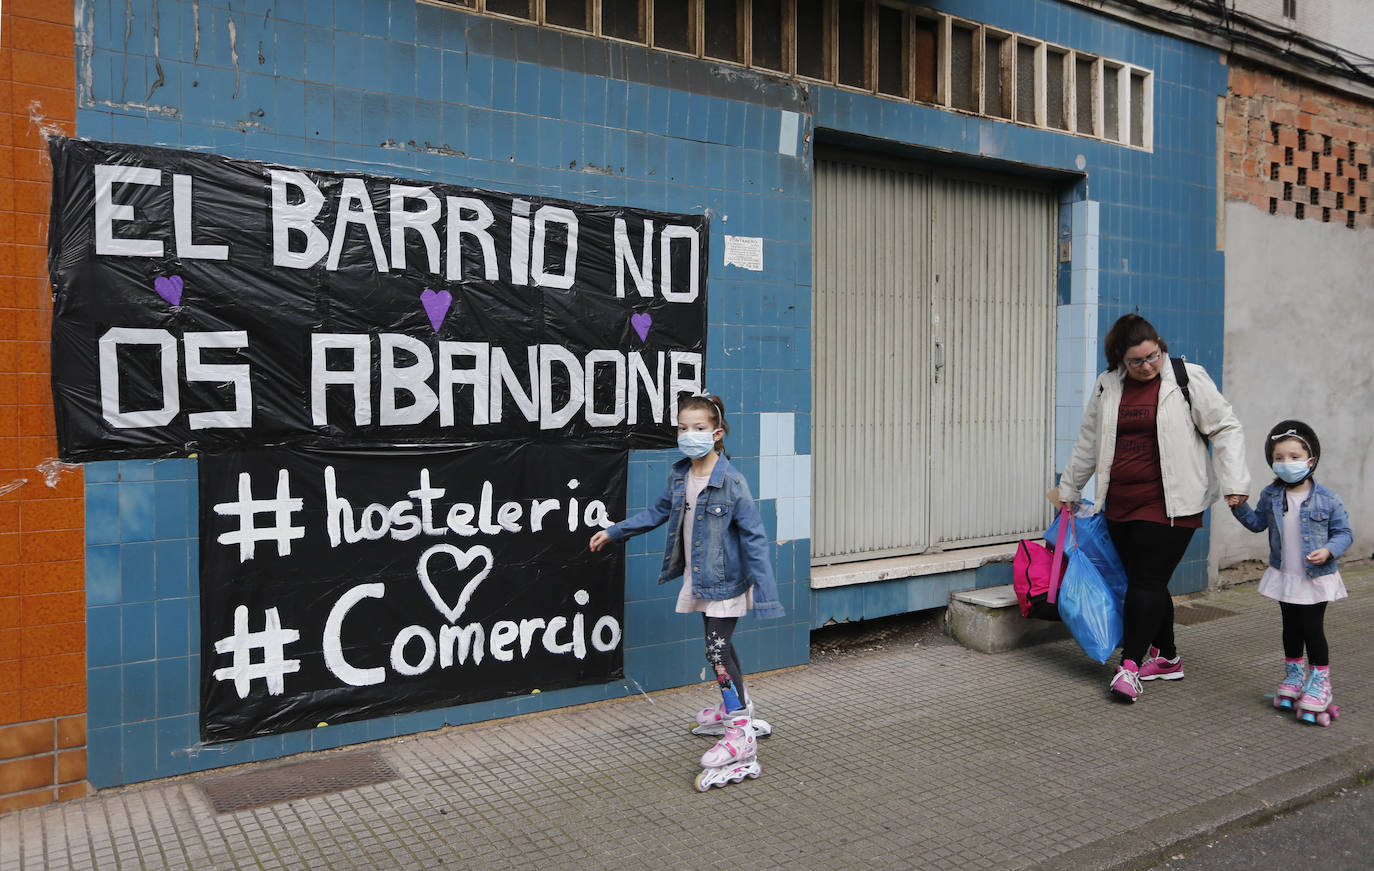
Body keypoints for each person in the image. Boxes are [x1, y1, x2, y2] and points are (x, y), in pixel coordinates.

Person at [1048, 313, 1249, 703]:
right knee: (1148, 583)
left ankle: (1130, 667)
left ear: (1161, 346)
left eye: (1153, 356)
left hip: (1173, 503)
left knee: (1145, 582)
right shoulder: (1108, 386)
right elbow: (1088, 441)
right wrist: (1069, 489)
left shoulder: (1185, 377)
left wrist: (1235, 482)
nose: (1147, 366)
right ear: (1119, 359)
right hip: (1120, 503)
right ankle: (1168, 657)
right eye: (1136, 361)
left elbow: (1225, 426)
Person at [589, 394, 784, 790]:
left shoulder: (731, 482)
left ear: (717, 433)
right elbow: (656, 513)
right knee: (722, 649)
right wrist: (614, 531)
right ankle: (738, 707)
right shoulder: (680, 475)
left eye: (698, 428)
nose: (688, 435)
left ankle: (740, 736)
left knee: (714, 650)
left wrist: (765, 595)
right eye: (682, 427)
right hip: (701, 578)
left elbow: (755, 539)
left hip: (727, 582)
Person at [1229, 420, 1352, 724]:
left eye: (1294, 457)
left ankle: (1321, 682)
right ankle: (1295, 677)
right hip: (1286, 575)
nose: (1286, 463)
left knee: (1312, 628)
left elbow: (1344, 533)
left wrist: (1329, 550)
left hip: (1316, 576)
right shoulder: (1271, 495)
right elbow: (1258, 524)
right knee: (1290, 628)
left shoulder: (1328, 498)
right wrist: (1239, 507)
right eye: (1279, 457)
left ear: (1311, 461)